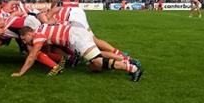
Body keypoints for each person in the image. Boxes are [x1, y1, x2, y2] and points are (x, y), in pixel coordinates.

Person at [14, 25, 143, 81]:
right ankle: (127, 61)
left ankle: (132, 68)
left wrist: (21, 73)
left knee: (97, 62)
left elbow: (32, 56)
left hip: (75, 37)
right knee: (94, 65)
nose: (25, 42)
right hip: (76, 33)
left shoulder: (38, 36)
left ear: (29, 33)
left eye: (25, 39)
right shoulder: (40, 29)